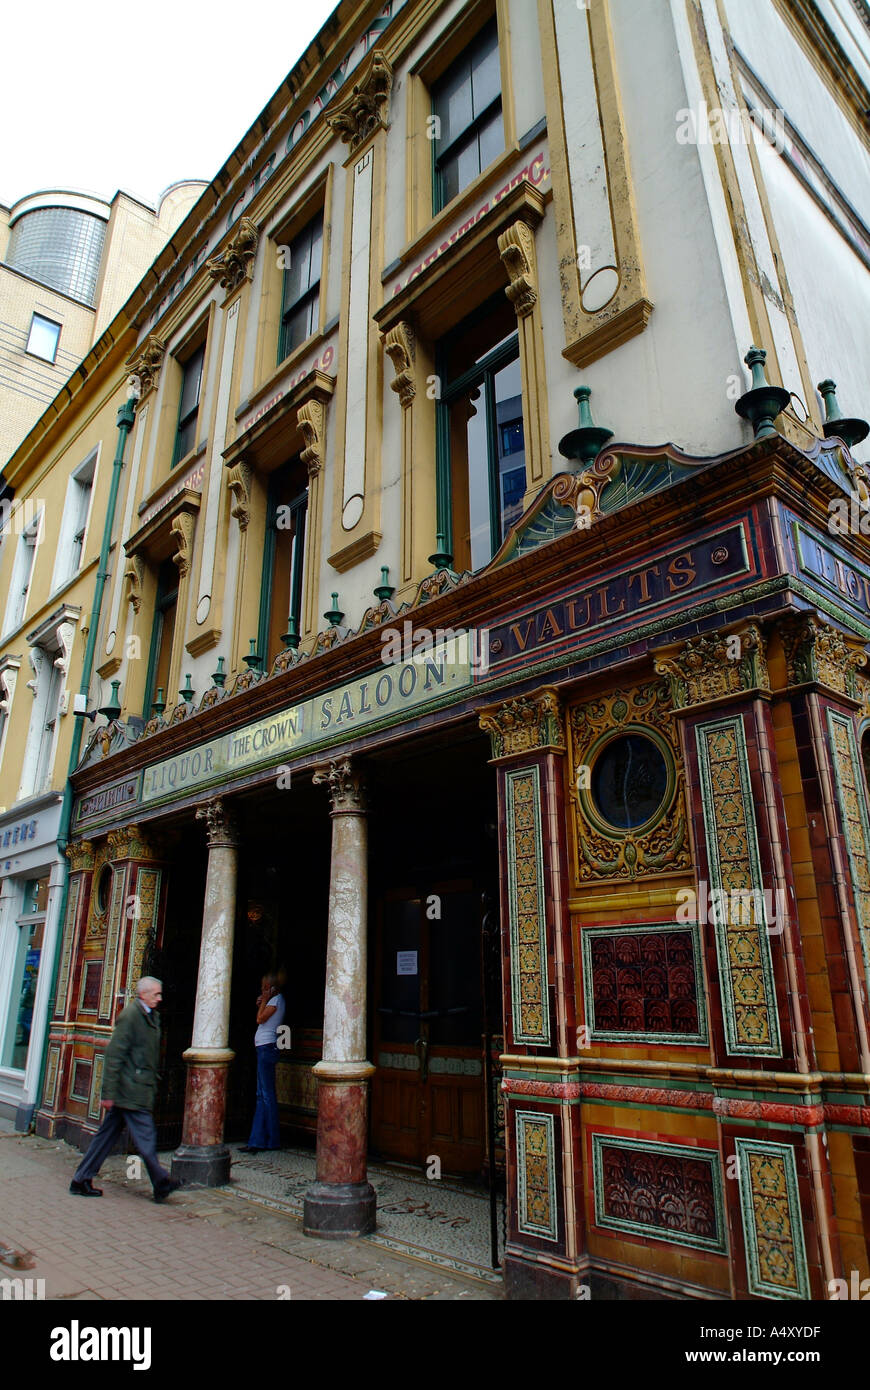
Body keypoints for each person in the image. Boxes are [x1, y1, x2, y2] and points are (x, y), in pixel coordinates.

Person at [69, 976, 181, 1202]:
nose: (159, 998)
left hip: (135, 1088)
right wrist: (108, 1094)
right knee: (145, 1136)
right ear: (143, 994)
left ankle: (80, 1179)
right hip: (130, 1090)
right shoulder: (130, 1016)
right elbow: (114, 1055)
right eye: (155, 994)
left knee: (105, 1138)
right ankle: (161, 1182)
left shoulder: (152, 1016)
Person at [239, 972, 285, 1154]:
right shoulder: (273, 1001)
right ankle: (261, 1139)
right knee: (262, 1095)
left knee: (266, 1095)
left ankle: (266, 1140)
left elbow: (259, 1019)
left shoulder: (276, 1000)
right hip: (263, 1048)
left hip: (267, 1048)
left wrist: (264, 1001)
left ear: (272, 988)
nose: (262, 990)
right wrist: (263, 1002)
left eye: (265, 988)